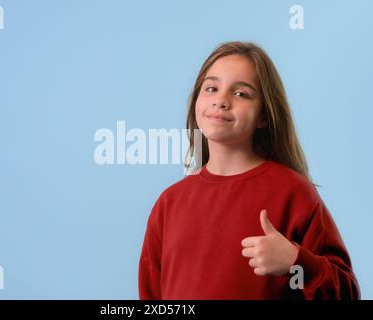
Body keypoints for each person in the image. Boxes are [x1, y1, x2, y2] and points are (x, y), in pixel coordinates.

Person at [138, 41, 360, 299]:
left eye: (241, 93)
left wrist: (295, 261)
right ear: (197, 101)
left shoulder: (294, 193)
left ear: (264, 116)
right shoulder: (169, 203)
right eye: (211, 88)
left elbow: (347, 293)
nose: (221, 100)